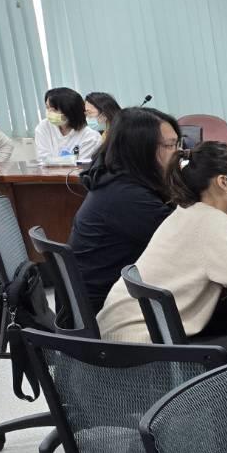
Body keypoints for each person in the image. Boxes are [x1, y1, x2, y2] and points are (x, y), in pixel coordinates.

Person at [96, 142, 227, 350]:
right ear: (223, 182)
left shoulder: (188, 212)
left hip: (121, 337)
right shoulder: (210, 221)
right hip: (144, 345)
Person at [69, 107, 181, 310]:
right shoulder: (128, 198)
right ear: (140, 150)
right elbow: (188, 244)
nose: (177, 154)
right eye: (170, 146)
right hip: (111, 312)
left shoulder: (115, 181)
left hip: (111, 300)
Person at [34, 87, 101, 163]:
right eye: (47, 107)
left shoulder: (91, 137)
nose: (49, 113)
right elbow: (43, 159)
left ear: (70, 111)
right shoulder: (44, 127)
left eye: (54, 110)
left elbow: (79, 165)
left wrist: (53, 161)